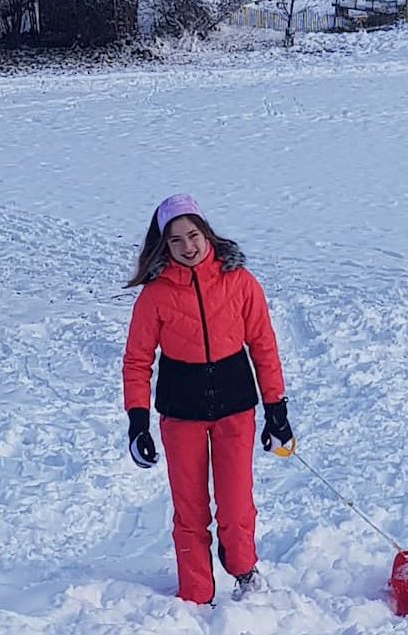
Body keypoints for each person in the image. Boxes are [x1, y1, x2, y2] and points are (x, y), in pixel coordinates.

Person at [122, 194, 295, 605]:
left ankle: (243, 568)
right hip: (181, 414)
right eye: (175, 240)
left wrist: (276, 408)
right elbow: (137, 361)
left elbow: (264, 345)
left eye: (193, 235)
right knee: (191, 511)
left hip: (235, 408)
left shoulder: (240, 282)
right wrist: (137, 422)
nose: (187, 246)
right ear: (163, 246)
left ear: (207, 233)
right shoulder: (155, 296)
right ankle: (196, 595)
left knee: (236, 506)